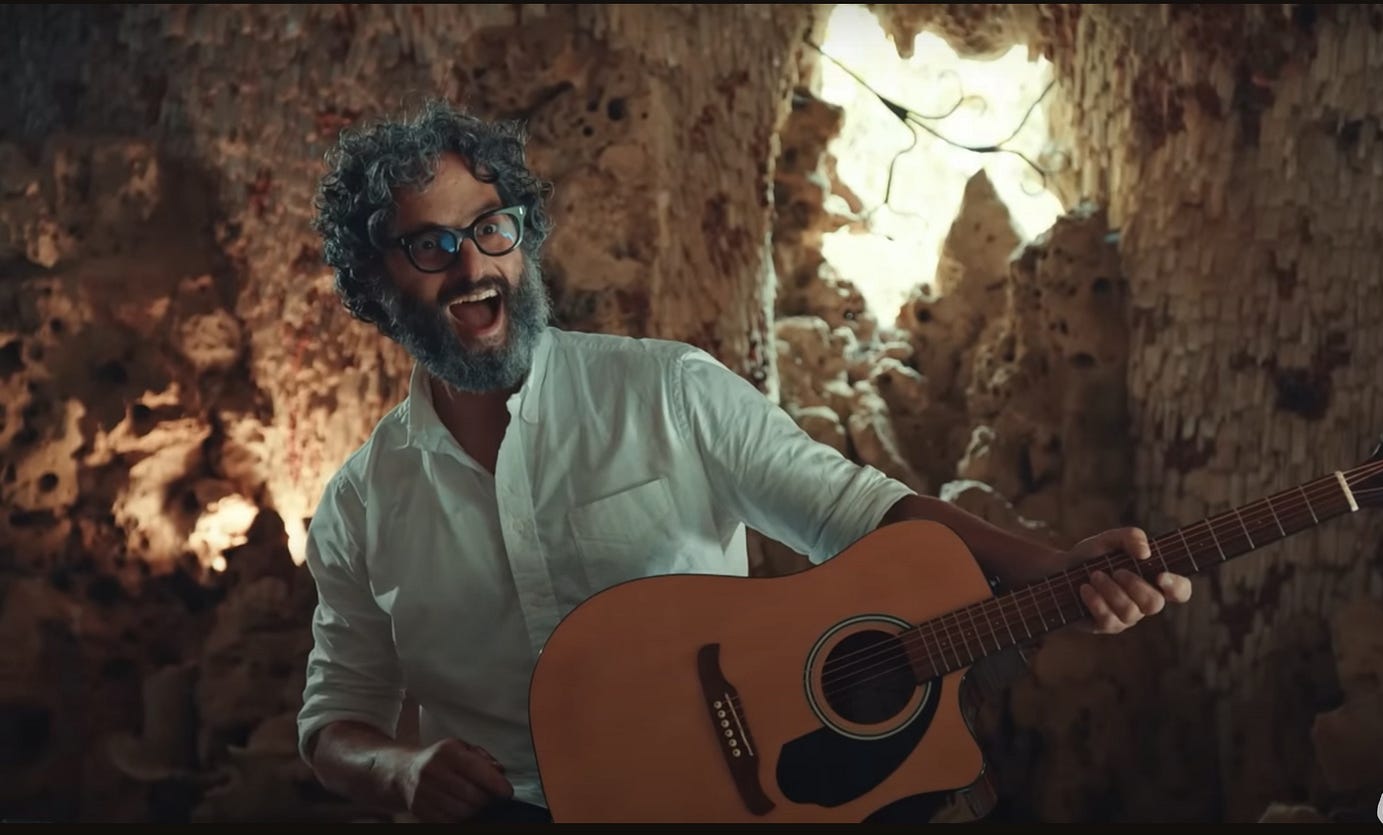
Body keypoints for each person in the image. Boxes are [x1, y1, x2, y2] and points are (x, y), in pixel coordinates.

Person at [295, 99, 1193, 825]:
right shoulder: (357, 509)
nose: (473, 265)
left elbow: (858, 508)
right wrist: (401, 768)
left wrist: (1051, 569)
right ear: (375, 289)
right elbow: (336, 721)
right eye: (430, 245)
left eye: (493, 227)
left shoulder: (669, 390)